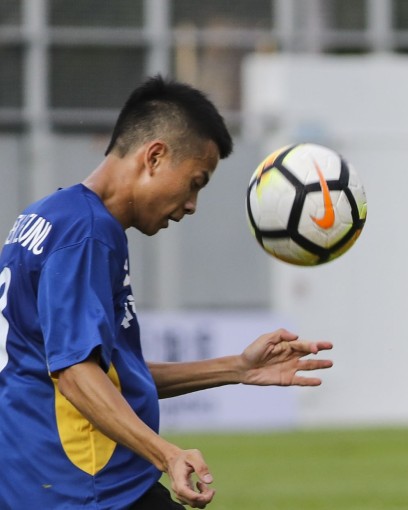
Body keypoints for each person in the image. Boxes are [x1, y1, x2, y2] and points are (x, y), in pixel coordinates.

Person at [0, 75, 333, 509]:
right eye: (195, 182)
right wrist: (166, 454)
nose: (192, 204)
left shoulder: (49, 216)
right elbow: (77, 374)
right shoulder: (89, 235)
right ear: (155, 156)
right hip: (87, 489)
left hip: (42, 483)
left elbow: (106, 373)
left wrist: (237, 368)